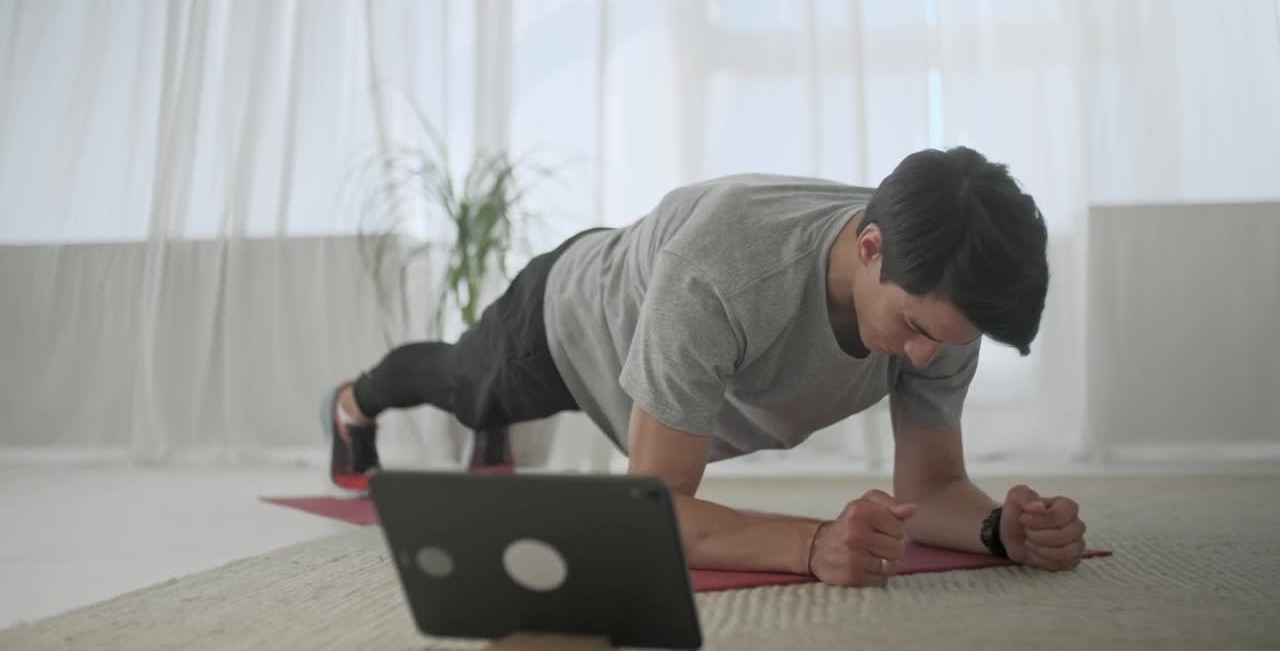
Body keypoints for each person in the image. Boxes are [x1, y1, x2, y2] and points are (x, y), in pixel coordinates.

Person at [324, 146, 1088, 587]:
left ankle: (489, 434)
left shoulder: (941, 286)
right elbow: (649, 512)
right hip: (566, 322)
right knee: (467, 386)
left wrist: (996, 528)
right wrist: (811, 543)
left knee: (488, 412)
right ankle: (356, 403)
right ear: (869, 248)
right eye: (917, 330)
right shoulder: (724, 270)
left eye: (948, 342)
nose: (928, 357)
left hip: (658, 323)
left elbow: (931, 489)